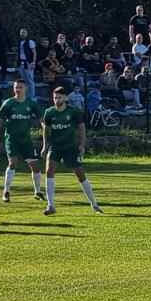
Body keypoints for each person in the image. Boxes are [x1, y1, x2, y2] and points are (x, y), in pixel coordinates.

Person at [40, 83, 102, 215]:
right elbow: (45, 129)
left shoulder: (73, 111)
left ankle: (94, 203)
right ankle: (51, 205)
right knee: (49, 171)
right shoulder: (49, 112)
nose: (57, 100)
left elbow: (81, 128)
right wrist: (45, 146)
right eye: (55, 98)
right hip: (55, 147)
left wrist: (81, 145)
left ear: (65, 98)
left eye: (59, 98)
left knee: (80, 174)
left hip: (70, 147)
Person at [0, 76, 45, 203]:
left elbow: (42, 120)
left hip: (26, 139)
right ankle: (6, 191)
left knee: (35, 166)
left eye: (20, 87)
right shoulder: (8, 103)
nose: (18, 89)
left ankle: (37, 191)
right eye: (16, 87)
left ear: (26, 89)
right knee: (12, 163)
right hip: (11, 139)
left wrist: (45, 133)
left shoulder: (31, 104)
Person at [16, 27, 38, 96]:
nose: (22, 34)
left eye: (24, 32)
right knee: (23, 81)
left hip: (28, 63)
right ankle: (24, 95)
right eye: (21, 32)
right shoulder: (19, 42)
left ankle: (32, 96)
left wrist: (33, 62)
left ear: (27, 34)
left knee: (30, 80)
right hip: (20, 63)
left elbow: (34, 53)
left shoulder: (30, 42)